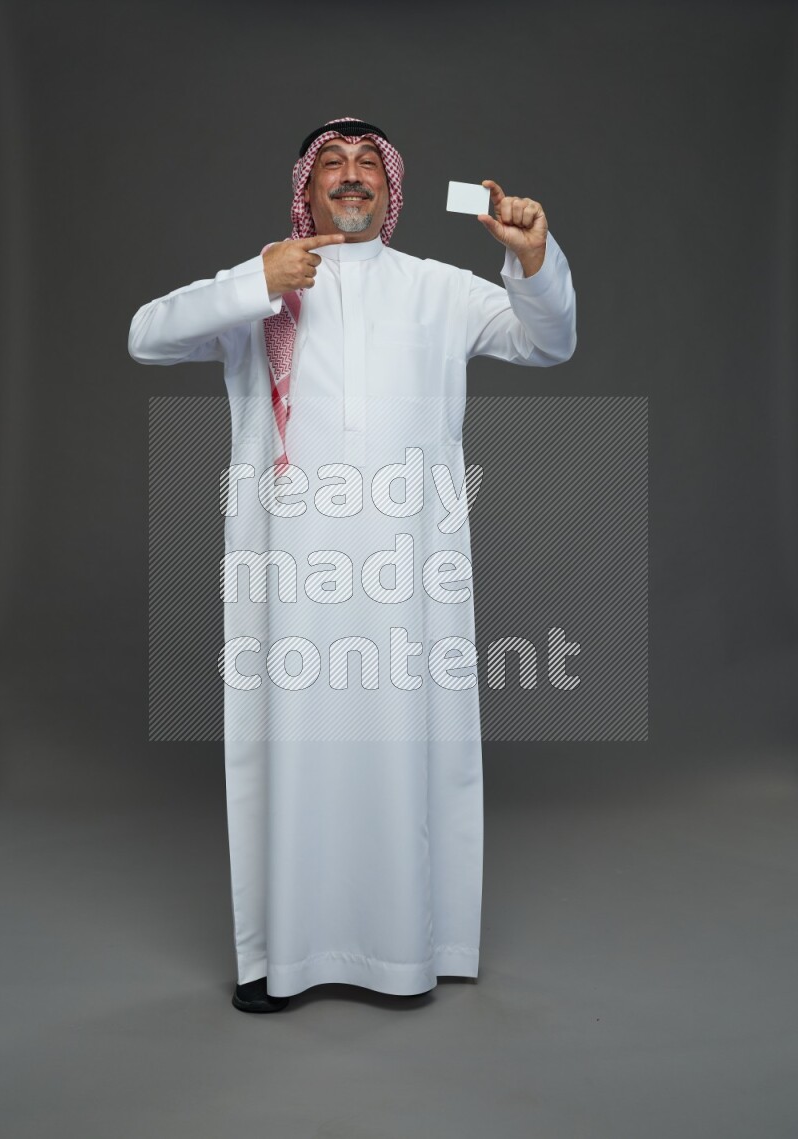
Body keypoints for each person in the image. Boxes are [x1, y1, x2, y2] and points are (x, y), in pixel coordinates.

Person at [128, 116, 577, 1013]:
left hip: (407, 575)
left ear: (391, 188)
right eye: (331, 163)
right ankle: (285, 956)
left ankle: (410, 950)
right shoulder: (267, 285)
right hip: (290, 575)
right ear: (307, 187)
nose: (351, 175)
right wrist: (256, 281)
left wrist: (535, 259)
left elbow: (548, 341)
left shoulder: (435, 289)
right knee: (291, 750)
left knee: (406, 747)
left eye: (369, 163)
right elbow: (147, 335)